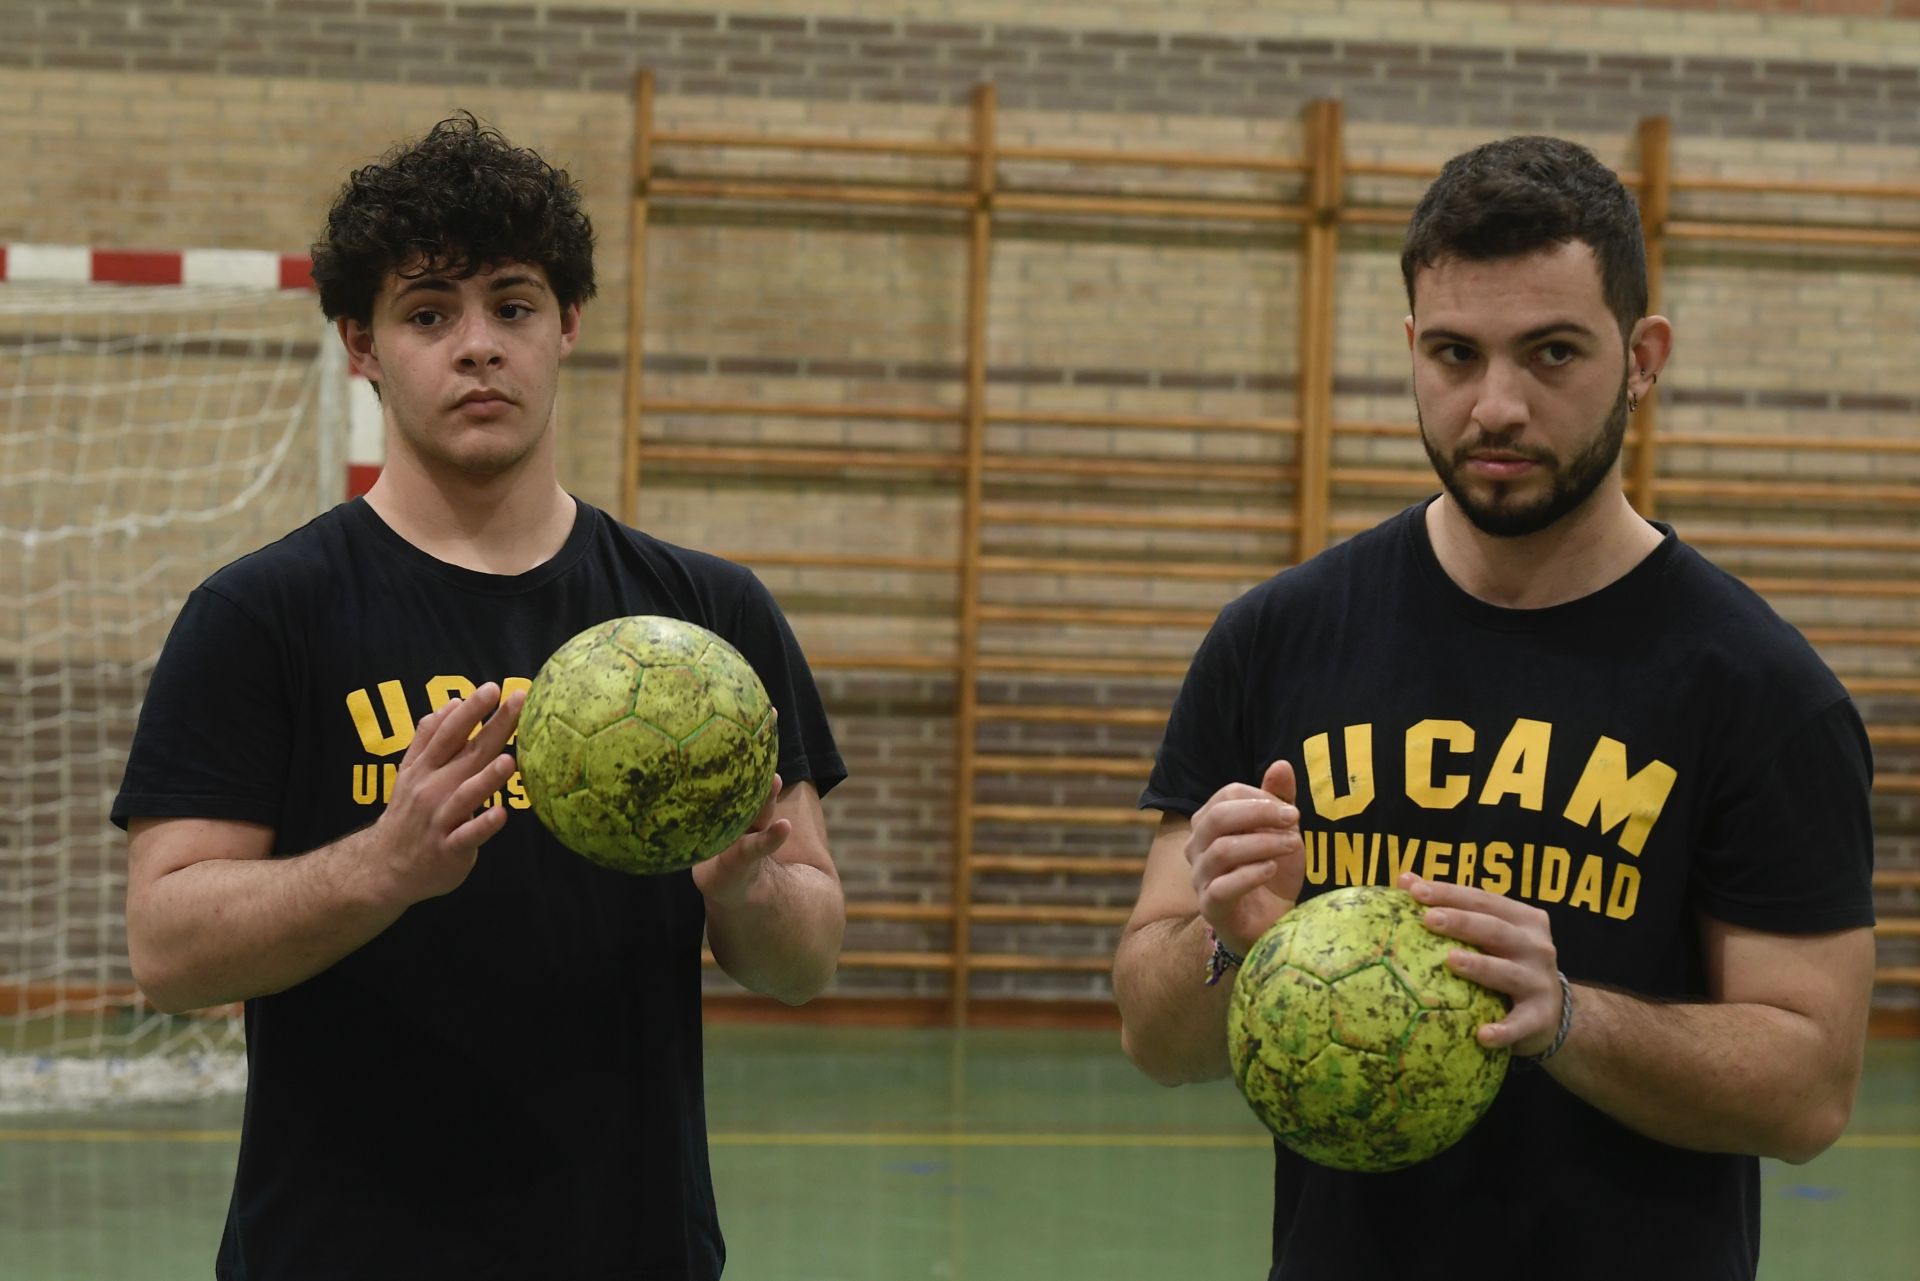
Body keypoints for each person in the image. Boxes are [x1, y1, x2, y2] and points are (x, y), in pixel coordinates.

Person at [1112, 135, 1876, 1281]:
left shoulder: (1762, 691)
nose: (1497, 405)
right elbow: (1154, 1039)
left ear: (1642, 357)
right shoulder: (1272, 640)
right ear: (1411, 348)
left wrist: (1564, 1016)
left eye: (1553, 352)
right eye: (1457, 355)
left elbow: (1808, 1089)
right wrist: (1225, 943)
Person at [114, 113, 848, 1279]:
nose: (476, 346)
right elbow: (167, 950)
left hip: (632, 1249)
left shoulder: (706, 620)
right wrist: (382, 865)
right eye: (427, 313)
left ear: (565, 327)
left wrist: (745, 887)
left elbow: (806, 961)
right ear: (361, 345)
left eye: (511, 306)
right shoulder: (261, 615)